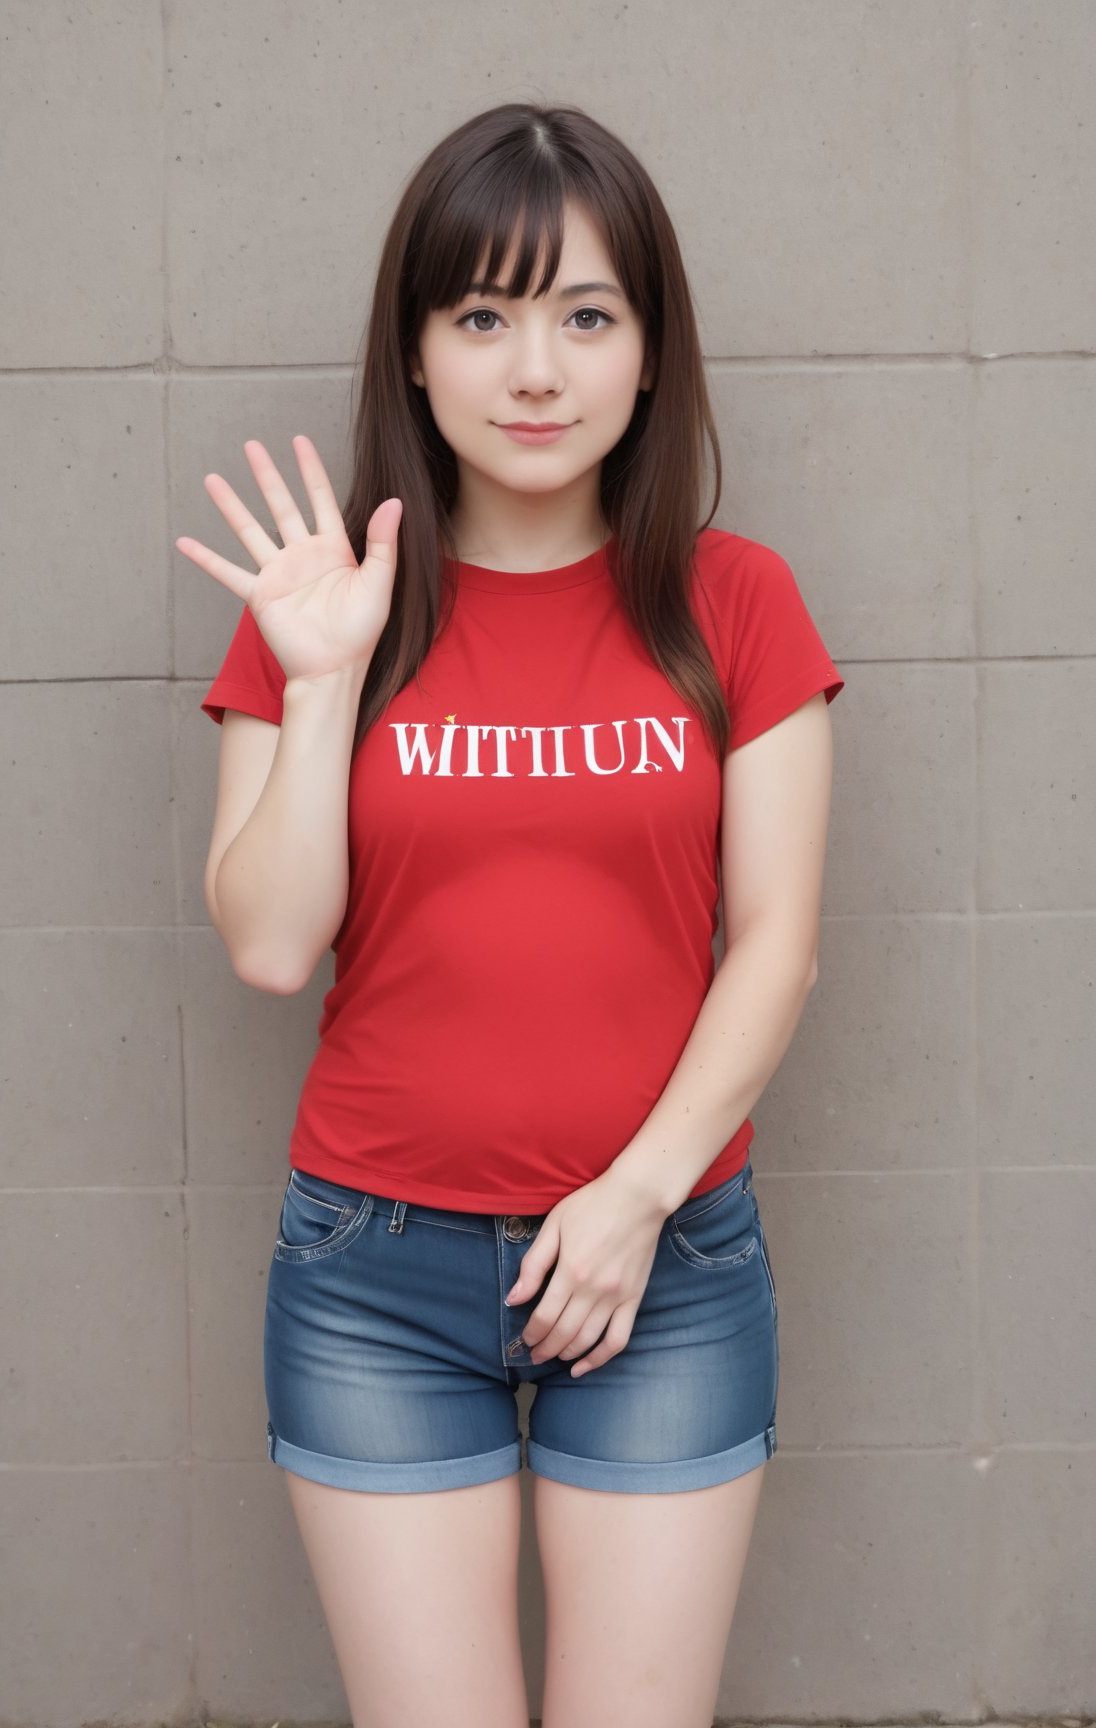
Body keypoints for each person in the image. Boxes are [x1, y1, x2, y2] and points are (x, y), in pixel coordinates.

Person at [176, 101, 843, 1728]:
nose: (534, 371)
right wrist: (327, 679)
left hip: (666, 1258)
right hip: (372, 1273)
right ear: (415, 352)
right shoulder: (320, 614)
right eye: (482, 316)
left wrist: (633, 1199)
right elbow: (270, 946)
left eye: (585, 316)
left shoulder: (732, 600)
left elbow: (776, 945)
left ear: (646, 350)